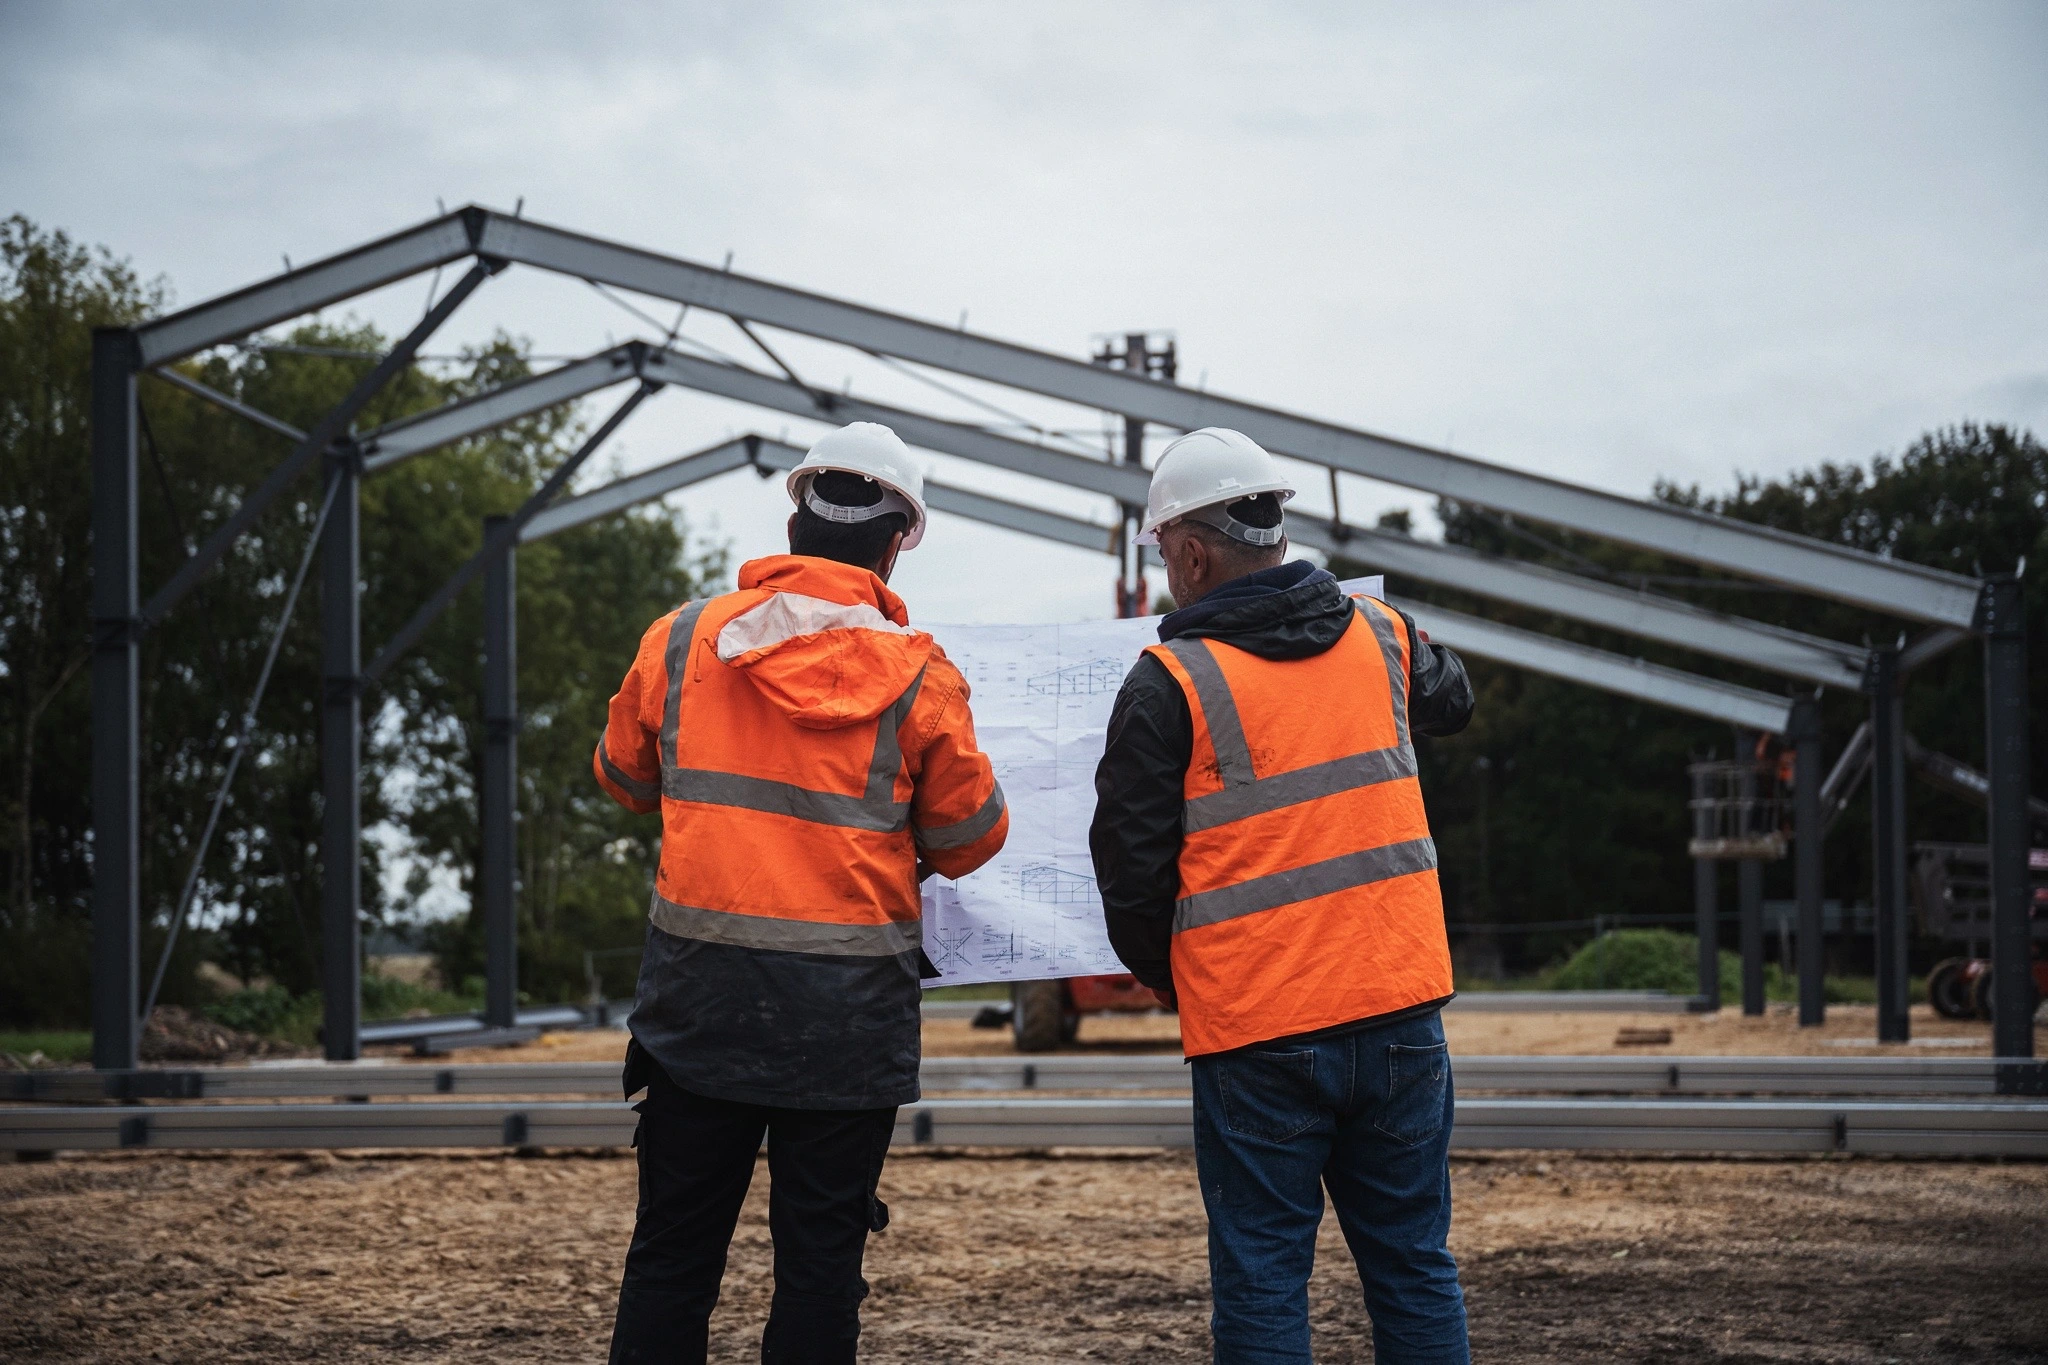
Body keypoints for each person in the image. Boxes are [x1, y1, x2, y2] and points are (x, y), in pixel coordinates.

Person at [595, 421, 1009, 1364]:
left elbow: (622, 776)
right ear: (895, 544)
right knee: (821, 1270)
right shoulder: (922, 678)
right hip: (846, 1024)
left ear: (794, 522)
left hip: (698, 1010)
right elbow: (969, 839)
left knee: (671, 1259)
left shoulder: (681, 641)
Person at [1089, 427, 1476, 1365]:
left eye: (1165, 554)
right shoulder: (1382, 634)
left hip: (1256, 1025)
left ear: (1192, 554)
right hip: (1398, 1005)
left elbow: (1130, 871)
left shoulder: (1169, 682)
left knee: (1263, 1277)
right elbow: (1454, 698)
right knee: (1414, 1264)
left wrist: (1174, 977)